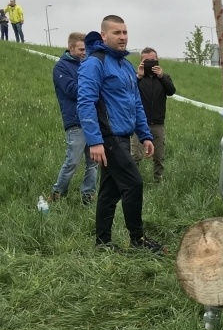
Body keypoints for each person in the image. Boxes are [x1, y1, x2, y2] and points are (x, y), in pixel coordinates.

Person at [77, 15, 165, 253]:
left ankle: (102, 243)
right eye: (117, 33)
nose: (123, 37)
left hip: (124, 137)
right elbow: (85, 102)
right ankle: (138, 239)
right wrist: (95, 141)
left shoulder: (126, 66)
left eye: (125, 32)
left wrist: (145, 135)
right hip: (108, 138)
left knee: (110, 190)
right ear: (104, 35)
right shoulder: (95, 63)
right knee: (134, 184)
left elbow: (135, 104)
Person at [48, 32, 98, 205]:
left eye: (87, 49)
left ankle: (88, 195)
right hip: (75, 121)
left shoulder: (88, 65)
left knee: (93, 163)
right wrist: (92, 87)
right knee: (72, 161)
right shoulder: (61, 67)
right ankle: (57, 193)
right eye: (81, 49)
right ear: (71, 48)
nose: (85, 52)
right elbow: (71, 89)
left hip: (92, 120)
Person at [130, 47, 176, 182]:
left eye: (153, 60)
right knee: (135, 155)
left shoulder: (164, 77)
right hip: (139, 123)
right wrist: (139, 76)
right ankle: (133, 181)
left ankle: (158, 181)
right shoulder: (136, 78)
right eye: (146, 61)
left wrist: (161, 77)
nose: (150, 63)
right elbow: (128, 92)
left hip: (158, 123)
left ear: (158, 61)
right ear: (141, 62)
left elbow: (171, 91)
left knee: (159, 156)